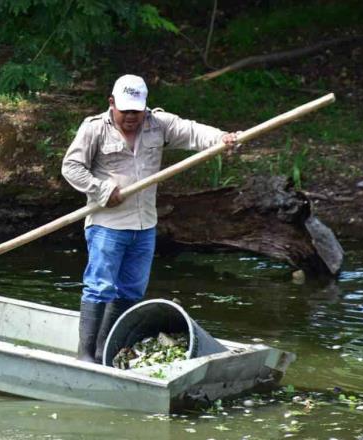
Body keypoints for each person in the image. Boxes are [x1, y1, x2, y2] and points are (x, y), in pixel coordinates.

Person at [61, 74, 239, 363]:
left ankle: (104, 349)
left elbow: (192, 132)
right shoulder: (94, 129)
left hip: (144, 225)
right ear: (112, 104)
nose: (132, 117)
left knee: (131, 289)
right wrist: (102, 190)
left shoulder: (158, 124)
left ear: (145, 107)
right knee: (100, 286)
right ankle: (85, 355)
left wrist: (221, 139)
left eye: (137, 110)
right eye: (125, 110)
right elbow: (71, 167)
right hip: (108, 224)